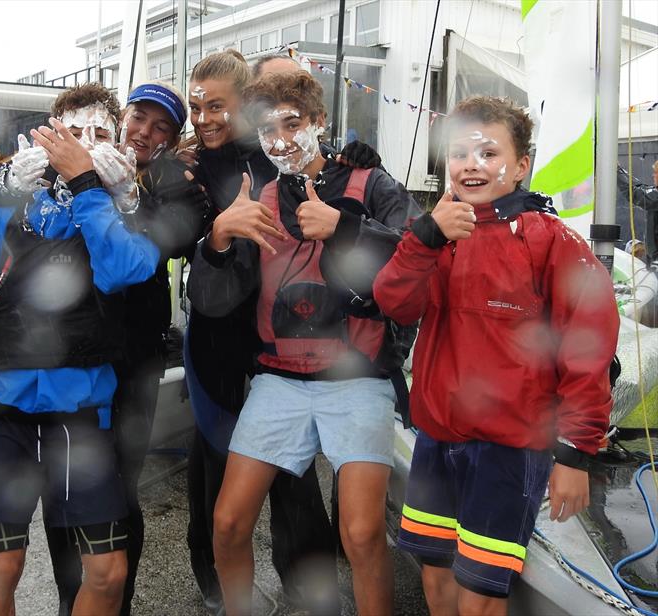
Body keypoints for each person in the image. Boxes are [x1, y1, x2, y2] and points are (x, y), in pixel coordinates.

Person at [372, 96, 619, 616]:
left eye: (488, 151)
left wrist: (575, 454)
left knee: (478, 601)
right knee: (435, 583)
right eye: (459, 151)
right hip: (436, 440)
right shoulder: (434, 235)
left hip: (508, 453)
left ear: (521, 165)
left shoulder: (553, 242)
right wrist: (423, 239)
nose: (470, 164)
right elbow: (394, 301)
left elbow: (588, 349)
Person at [187, 69, 420, 616]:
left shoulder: (371, 182)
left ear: (319, 121)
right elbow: (213, 297)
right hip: (279, 379)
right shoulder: (260, 197)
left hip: (356, 376)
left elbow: (422, 258)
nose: (281, 140)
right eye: (267, 130)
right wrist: (218, 238)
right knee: (226, 523)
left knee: (362, 535)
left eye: (292, 124)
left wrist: (346, 228)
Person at [0, 96, 160, 616]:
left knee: (108, 573)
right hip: (1, 415)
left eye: (98, 137)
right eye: (71, 134)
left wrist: (88, 186)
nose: (81, 148)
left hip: (79, 421)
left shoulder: (115, 215)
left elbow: (128, 269)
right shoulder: (9, 216)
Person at [110, 80, 210, 616]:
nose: (144, 133)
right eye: (138, 118)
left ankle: (119, 603)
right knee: (69, 488)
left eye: (161, 127)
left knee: (122, 483)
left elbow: (169, 243)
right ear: (121, 116)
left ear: (172, 140)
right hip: (76, 358)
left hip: (136, 360)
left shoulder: (172, 185)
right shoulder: (84, 167)